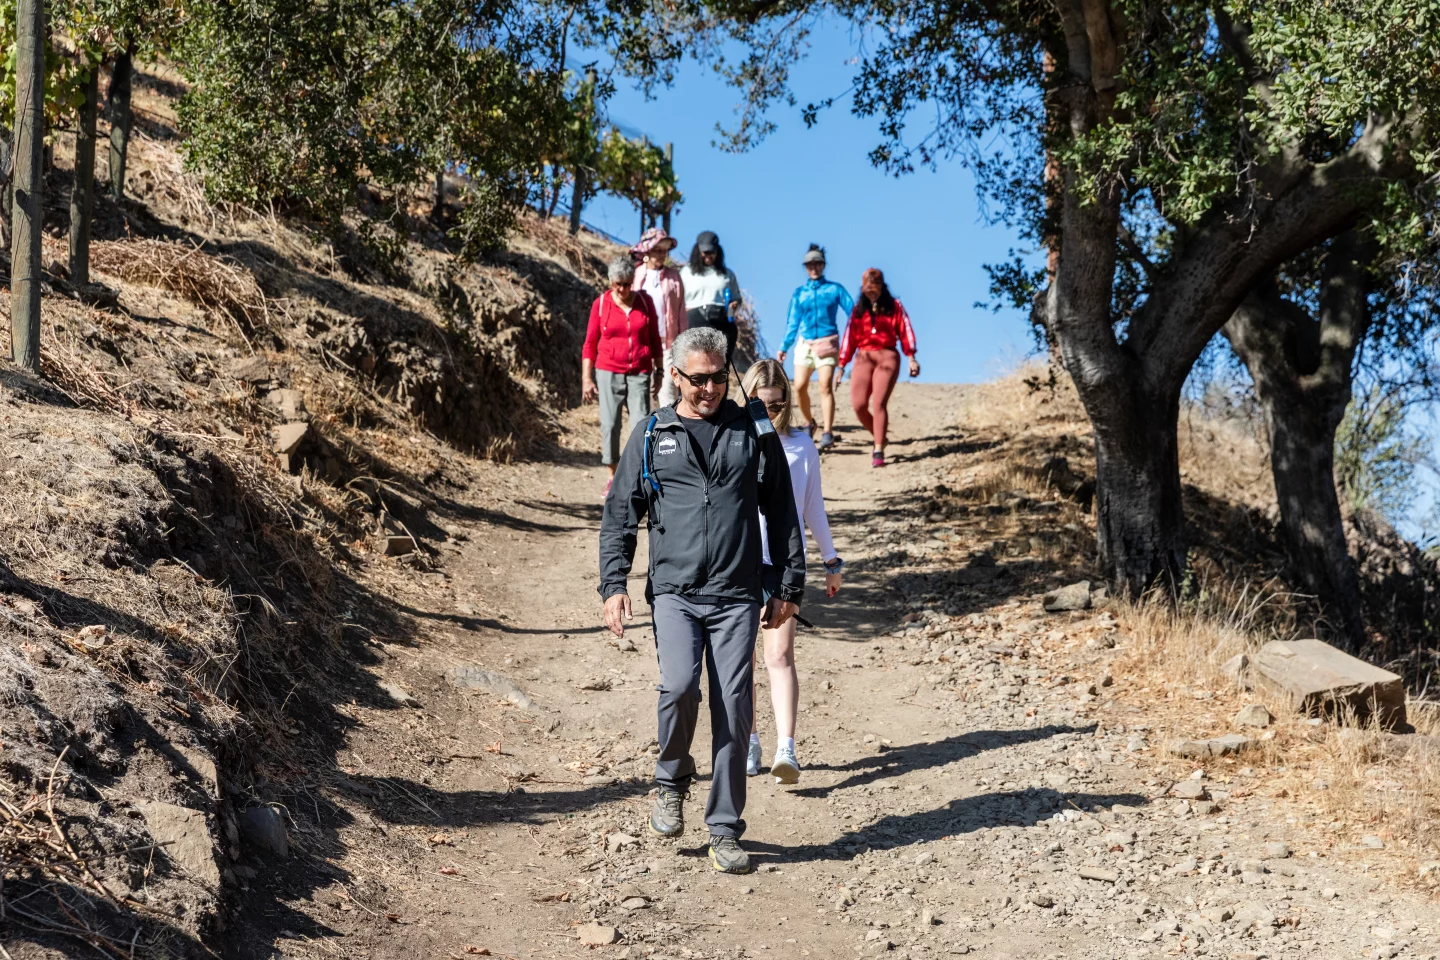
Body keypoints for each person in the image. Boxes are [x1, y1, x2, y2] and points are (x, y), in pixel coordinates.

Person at [599, 326, 805, 876]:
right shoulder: (651, 432)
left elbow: (783, 510)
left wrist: (790, 584)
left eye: (718, 378)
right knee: (679, 687)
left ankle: (724, 826)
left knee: (734, 705)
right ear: (674, 376)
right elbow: (621, 513)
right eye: (698, 379)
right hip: (675, 589)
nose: (710, 388)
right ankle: (671, 779)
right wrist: (614, 584)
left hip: (737, 590)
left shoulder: (752, 430)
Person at [740, 359, 843, 785]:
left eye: (777, 405)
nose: (769, 412)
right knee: (737, 661)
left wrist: (831, 560)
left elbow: (812, 506)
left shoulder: (802, 446)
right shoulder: (732, 438)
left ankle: (787, 747)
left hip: (782, 563)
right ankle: (748, 740)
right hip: (737, 561)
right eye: (760, 404)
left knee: (779, 656)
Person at [582, 256, 662, 497]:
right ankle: (612, 476)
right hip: (608, 370)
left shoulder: (645, 303)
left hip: (639, 371)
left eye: (628, 284)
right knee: (610, 424)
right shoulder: (601, 304)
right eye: (618, 284)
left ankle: (639, 475)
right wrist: (587, 378)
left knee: (641, 423)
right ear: (610, 282)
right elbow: (590, 343)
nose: (623, 289)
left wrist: (658, 372)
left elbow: (655, 340)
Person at [837, 268, 920, 468]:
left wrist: (911, 357)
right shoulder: (858, 310)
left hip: (887, 355)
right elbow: (849, 338)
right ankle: (879, 434)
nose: (871, 292)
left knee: (879, 403)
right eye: (868, 288)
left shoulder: (895, 306)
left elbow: (906, 330)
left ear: (882, 287)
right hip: (863, 356)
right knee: (858, 405)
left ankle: (878, 449)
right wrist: (841, 365)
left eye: (875, 288)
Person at [777, 244, 853, 450]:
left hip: (828, 342)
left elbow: (853, 313)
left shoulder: (835, 289)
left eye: (817, 263)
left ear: (823, 265)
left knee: (824, 385)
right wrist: (785, 346)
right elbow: (792, 322)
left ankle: (828, 431)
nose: (814, 268)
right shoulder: (799, 293)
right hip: (805, 343)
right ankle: (809, 422)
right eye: (810, 264)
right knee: (799, 386)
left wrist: (854, 339)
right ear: (806, 267)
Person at [631, 227, 687, 407]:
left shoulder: (674, 277)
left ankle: (669, 433)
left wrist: (683, 344)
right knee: (643, 393)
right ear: (647, 250)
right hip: (643, 342)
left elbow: (681, 313)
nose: (661, 255)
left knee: (668, 393)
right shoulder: (636, 274)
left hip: (668, 345)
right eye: (657, 250)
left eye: (664, 250)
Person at [678, 230, 743, 363]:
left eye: (712, 252)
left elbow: (737, 298)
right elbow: (677, 300)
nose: (708, 256)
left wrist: (733, 306)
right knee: (697, 361)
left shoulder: (727, 274)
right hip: (694, 320)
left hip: (721, 321)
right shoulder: (686, 272)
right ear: (698, 251)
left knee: (720, 364)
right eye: (705, 252)